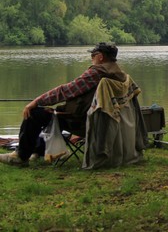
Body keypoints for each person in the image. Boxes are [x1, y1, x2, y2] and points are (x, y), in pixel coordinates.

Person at [0, 42, 139, 167]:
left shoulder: (97, 73)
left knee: (35, 113)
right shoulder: (120, 75)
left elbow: (65, 91)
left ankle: (20, 157)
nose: (91, 58)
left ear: (100, 57)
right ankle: (38, 151)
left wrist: (36, 101)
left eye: (93, 55)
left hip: (83, 122)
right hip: (106, 124)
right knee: (49, 112)